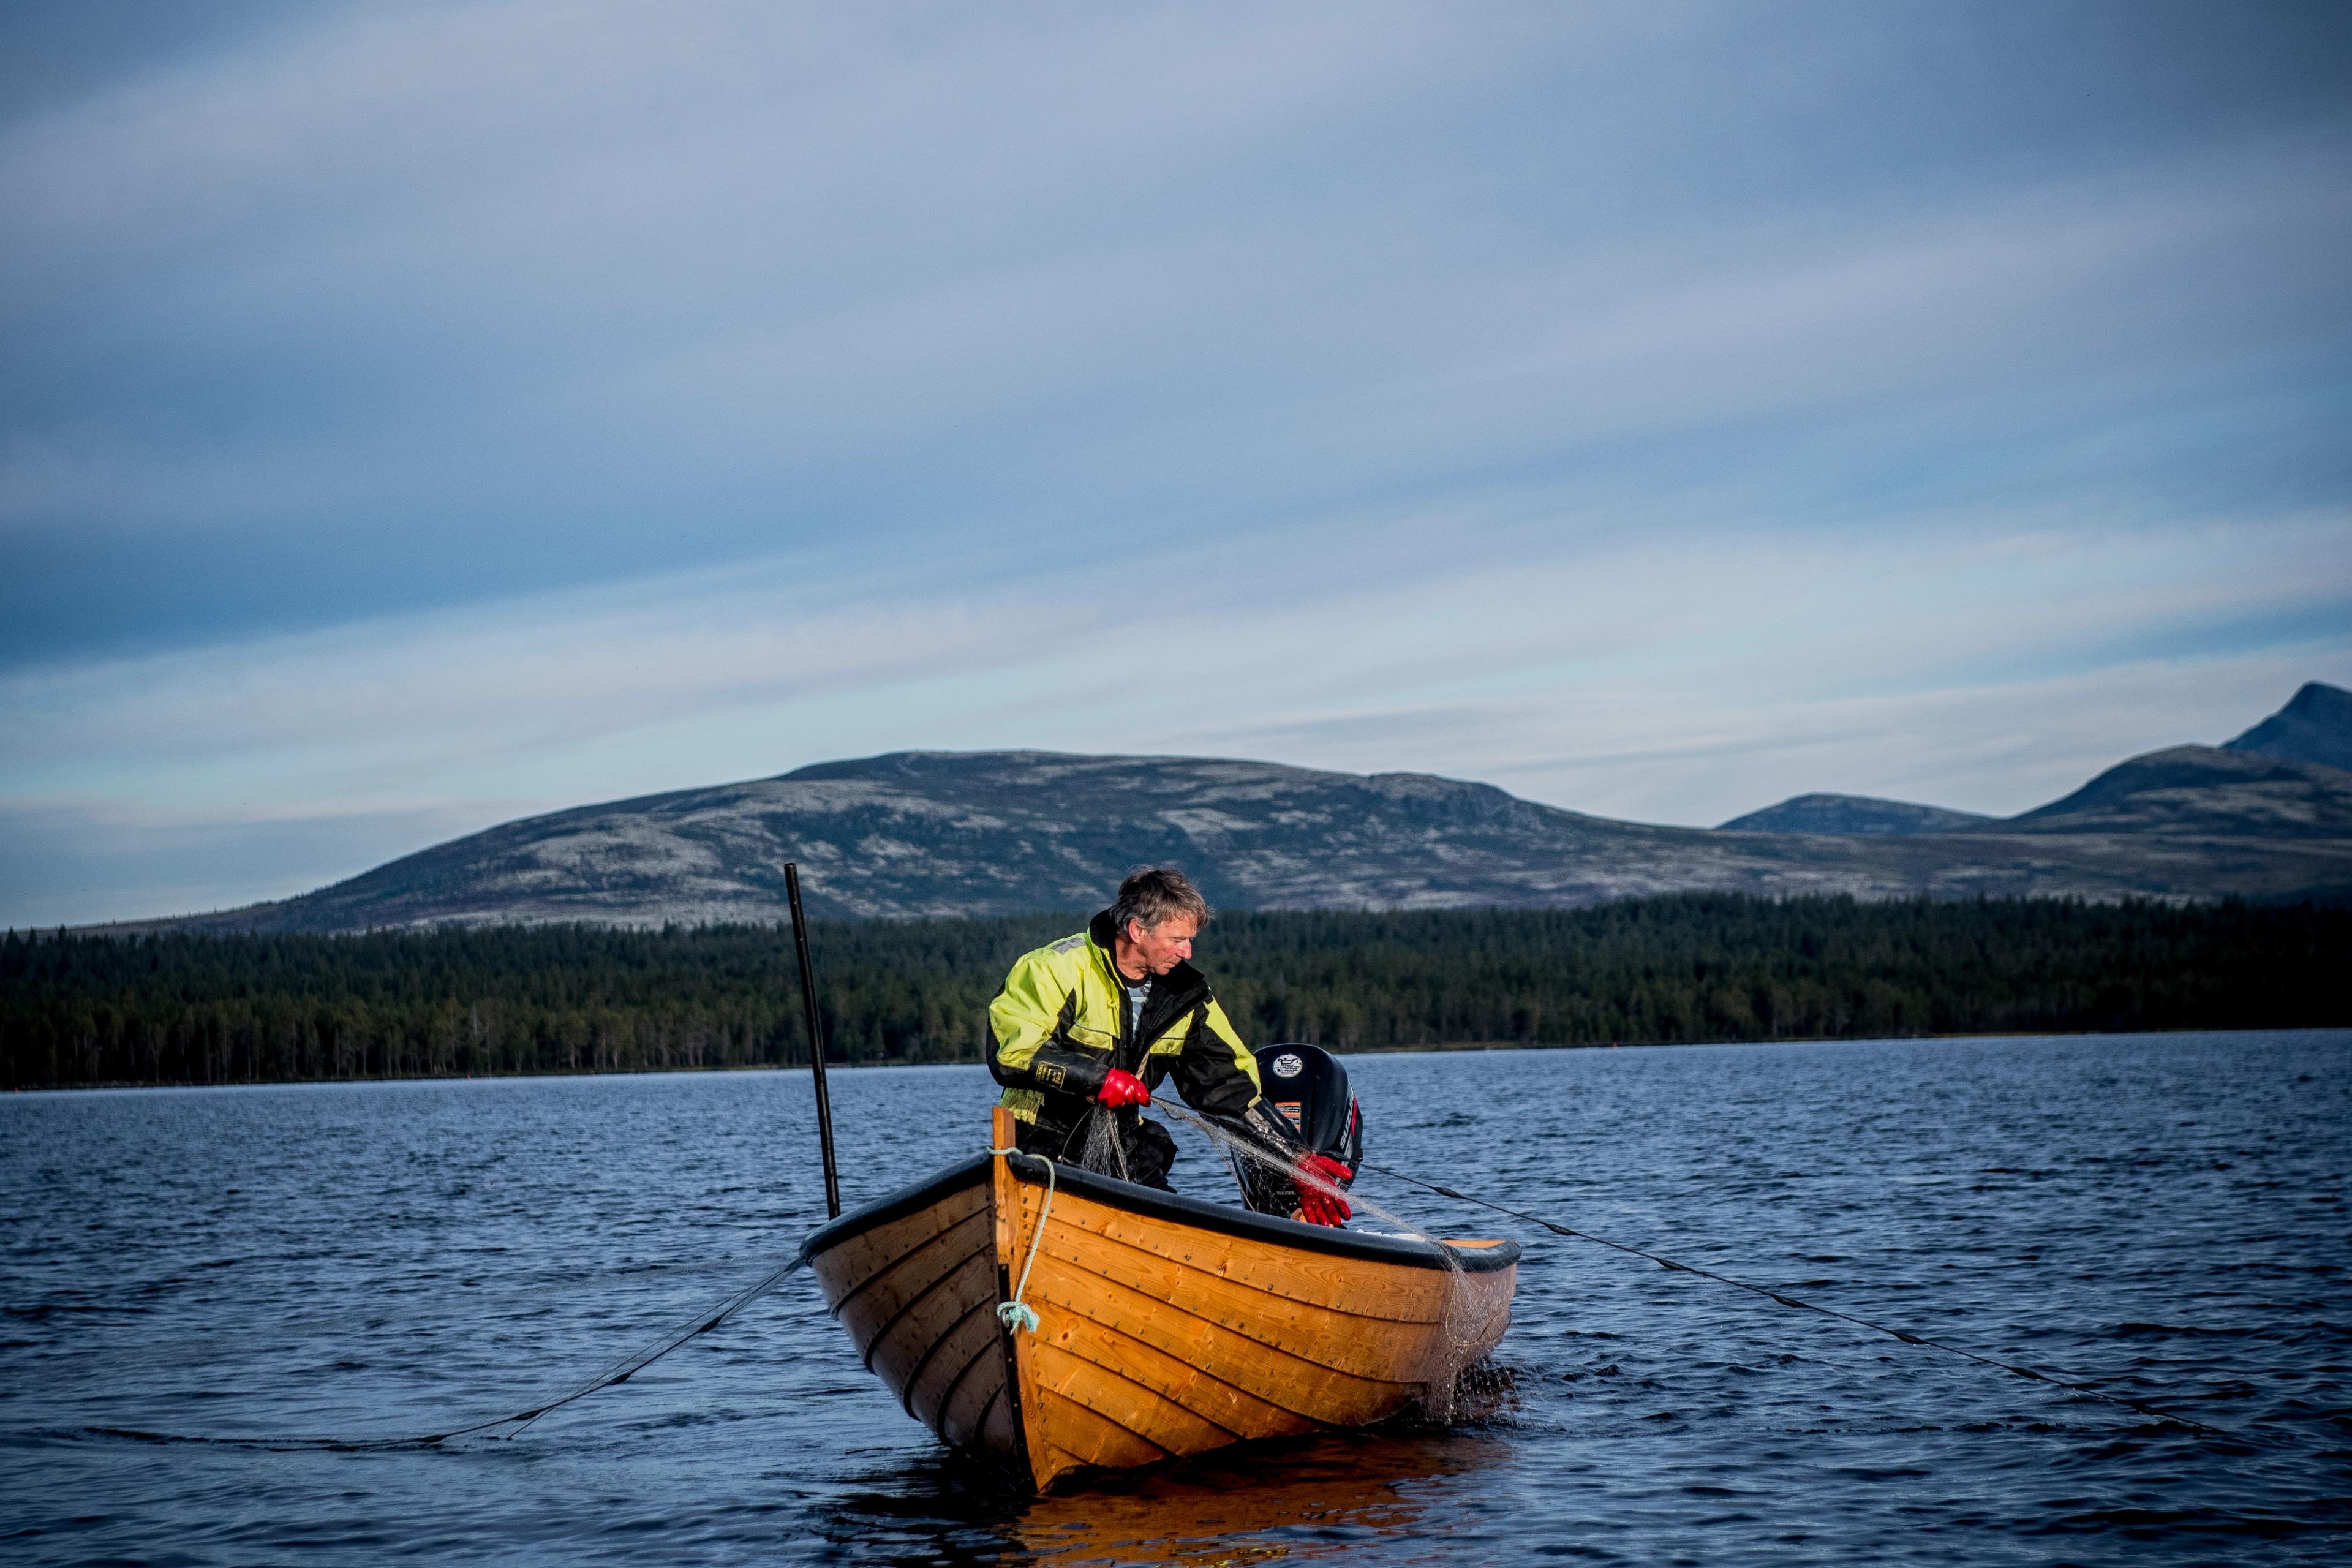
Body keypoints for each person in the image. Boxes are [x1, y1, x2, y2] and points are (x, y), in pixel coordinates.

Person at [987, 867, 1354, 1226]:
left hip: (1125, 1146)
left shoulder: (1186, 997)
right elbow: (1011, 1055)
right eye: (1178, 940)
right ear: (1136, 930)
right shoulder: (1055, 968)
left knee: (1182, 1233)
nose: (1188, 952)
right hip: (1039, 1142)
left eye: (1191, 940)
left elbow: (1230, 1088)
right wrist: (1099, 1080)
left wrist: (1296, 1158)